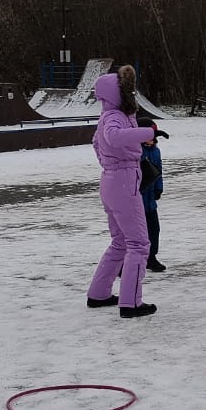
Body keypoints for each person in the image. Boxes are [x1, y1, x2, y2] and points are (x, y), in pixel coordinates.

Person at [86, 66, 160, 319]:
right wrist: (148, 132)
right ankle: (131, 302)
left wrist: (111, 164)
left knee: (120, 242)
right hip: (123, 181)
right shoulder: (114, 117)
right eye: (126, 89)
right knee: (139, 244)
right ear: (116, 93)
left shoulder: (109, 115)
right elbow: (114, 137)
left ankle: (99, 293)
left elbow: (97, 143)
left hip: (111, 180)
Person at [140, 126, 166, 274]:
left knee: (154, 229)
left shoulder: (156, 151)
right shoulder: (137, 151)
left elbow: (158, 171)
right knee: (134, 233)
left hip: (150, 200)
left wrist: (159, 187)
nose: (153, 138)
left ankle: (151, 257)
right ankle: (124, 262)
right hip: (137, 198)